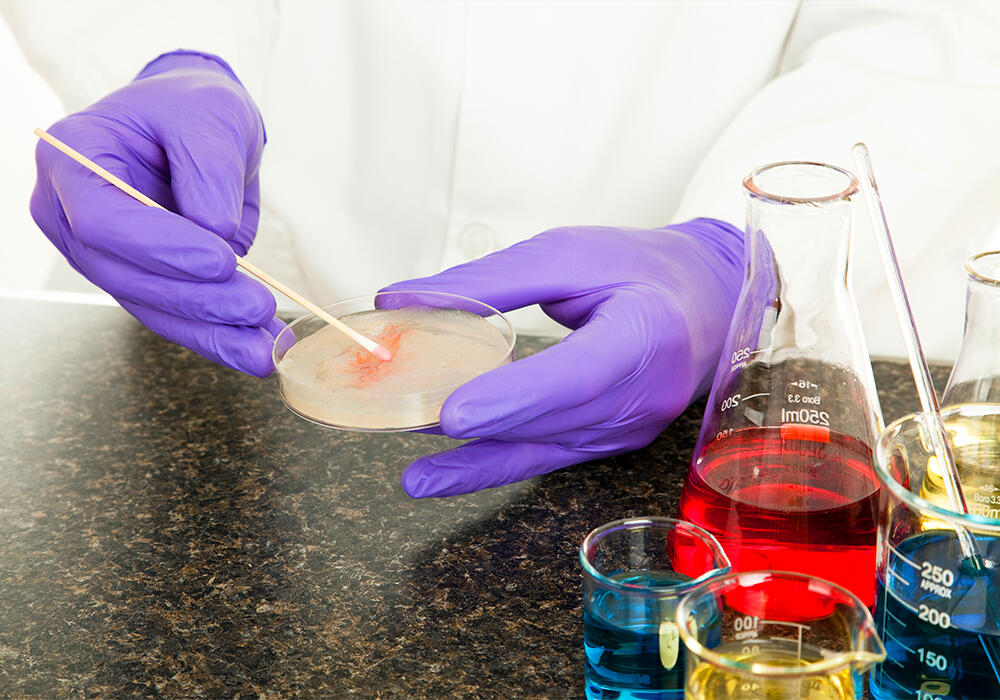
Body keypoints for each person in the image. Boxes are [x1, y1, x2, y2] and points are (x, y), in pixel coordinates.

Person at [7, 1, 1000, 497]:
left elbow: (934, 33)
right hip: (218, 339)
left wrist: (737, 255)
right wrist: (174, 49)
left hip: (690, 404)